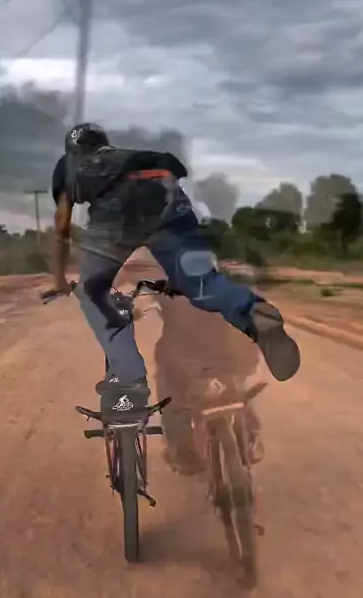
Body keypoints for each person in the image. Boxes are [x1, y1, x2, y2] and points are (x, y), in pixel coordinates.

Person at [50, 122, 300, 397]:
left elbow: (62, 227)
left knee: (92, 292)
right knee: (202, 284)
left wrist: (59, 279)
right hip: (166, 198)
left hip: (117, 213)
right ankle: (254, 314)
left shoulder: (69, 165)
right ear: (104, 144)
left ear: (74, 151)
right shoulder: (133, 156)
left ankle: (128, 375)